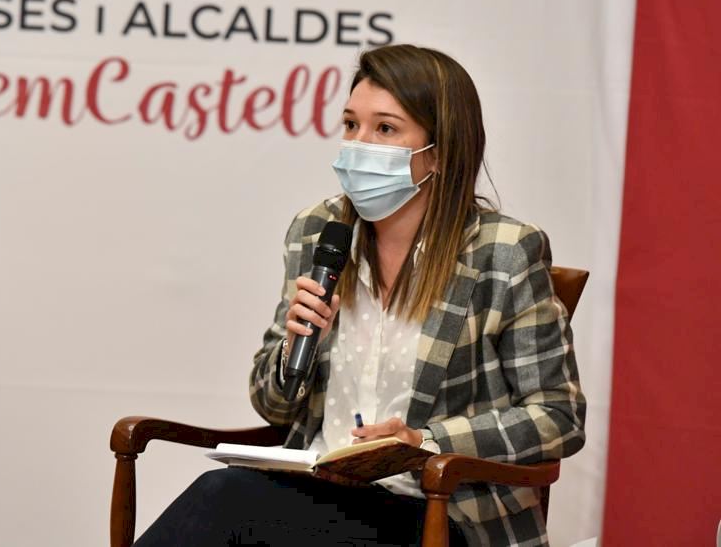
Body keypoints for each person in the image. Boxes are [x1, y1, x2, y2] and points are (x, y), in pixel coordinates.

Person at [135, 44, 586, 547]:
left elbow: (558, 418)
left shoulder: (502, 251)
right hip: (323, 495)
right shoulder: (318, 231)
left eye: (385, 129)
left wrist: (424, 442)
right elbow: (272, 407)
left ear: (439, 152)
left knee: (224, 499)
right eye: (351, 125)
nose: (358, 145)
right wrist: (295, 348)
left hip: (439, 513)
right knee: (227, 498)